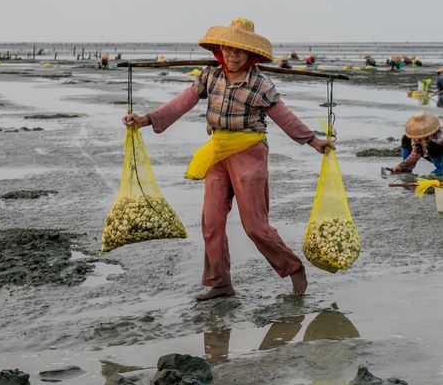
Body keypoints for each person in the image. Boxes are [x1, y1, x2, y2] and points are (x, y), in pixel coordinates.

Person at [121, 18, 333, 300]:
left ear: (250, 55)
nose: (233, 57)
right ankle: (220, 282)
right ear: (220, 51)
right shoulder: (211, 76)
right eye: (228, 51)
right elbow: (182, 102)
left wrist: (312, 140)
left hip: (250, 153)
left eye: (239, 52)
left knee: (255, 225)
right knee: (211, 220)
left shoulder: (260, 84)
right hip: (218, 151)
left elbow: (284, 117)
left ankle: (292, 267)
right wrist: (147, 119)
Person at [390, 112, 443, 176]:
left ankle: (440, 169)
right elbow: (415, 154)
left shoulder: (438, 136)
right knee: (405, 138)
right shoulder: (416, 136)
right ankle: (406, 169)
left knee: (430, 145)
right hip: (428, 154)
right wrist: (402, 166)